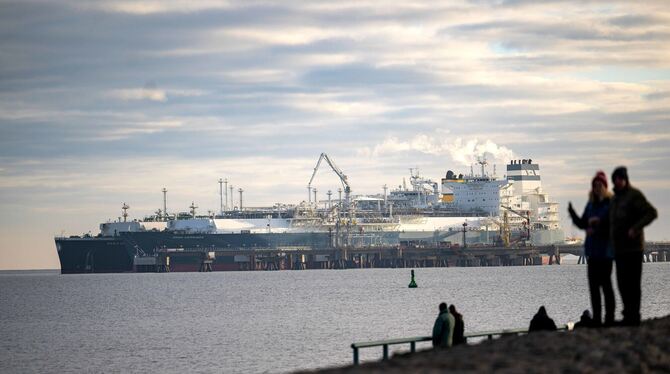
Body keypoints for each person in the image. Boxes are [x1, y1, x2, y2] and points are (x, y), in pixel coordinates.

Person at [609, 166, 657, 326]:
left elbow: (651, 213)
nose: (618, 181)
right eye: (616, 179)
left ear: (625, 179)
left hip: (634, 248)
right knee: (622, 282)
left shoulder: (634, 195)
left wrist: (636, 228)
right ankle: (627, 313)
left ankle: (634, 315)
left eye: (620, 179)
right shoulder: (614, 199)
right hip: (619, 248)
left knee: (633, 283)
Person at [568, 170, 615, 326]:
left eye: (599, 185)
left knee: (606, 287)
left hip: (606, 252)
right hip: (592, 253)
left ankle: (609, 319)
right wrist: (572, 214)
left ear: (605, 186)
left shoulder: (610, 204)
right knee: (594, 288)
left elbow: (611, 225)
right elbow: (583, 223)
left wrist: (597, 225)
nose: (597, 187)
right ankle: (597, 319)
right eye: (595, 185)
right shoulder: (590, 205)